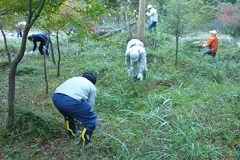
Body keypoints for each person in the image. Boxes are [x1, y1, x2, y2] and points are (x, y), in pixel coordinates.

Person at [52, 72, 98, 146]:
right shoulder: (92, 86)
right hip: (71, 101)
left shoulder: (74, 78)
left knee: (68, 115)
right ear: (93, 82)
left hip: (56, 98)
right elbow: (90, 104)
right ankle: (83, 144)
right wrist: (85, 117)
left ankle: (72, 135)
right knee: (91, 120)